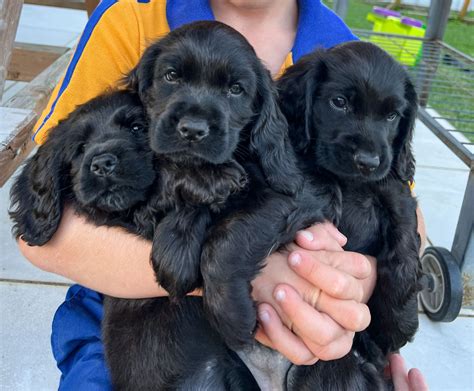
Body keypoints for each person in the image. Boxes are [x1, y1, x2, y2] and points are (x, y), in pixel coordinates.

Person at [18, 0, 428, 389]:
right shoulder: (134, 17)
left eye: (235, 90)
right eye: (173, 77)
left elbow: (401, 204)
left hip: (307, 339)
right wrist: (235, 271)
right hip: (128, 313)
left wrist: (357, 281)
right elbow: (45, 226)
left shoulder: (337, 45)